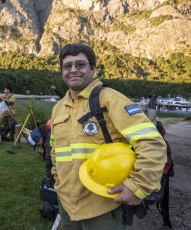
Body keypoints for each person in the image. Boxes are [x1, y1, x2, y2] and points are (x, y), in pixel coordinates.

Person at [50, 43, 167, 229]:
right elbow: (55, 150)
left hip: (102, 207)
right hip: (66, 204)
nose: (73, 70)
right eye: (67, 66)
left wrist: (138, 186)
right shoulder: (58, 108)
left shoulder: (109, 99)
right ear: (62, 71)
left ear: (93, 69)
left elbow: (152, 142)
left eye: (80, 64)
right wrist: (57, 180)